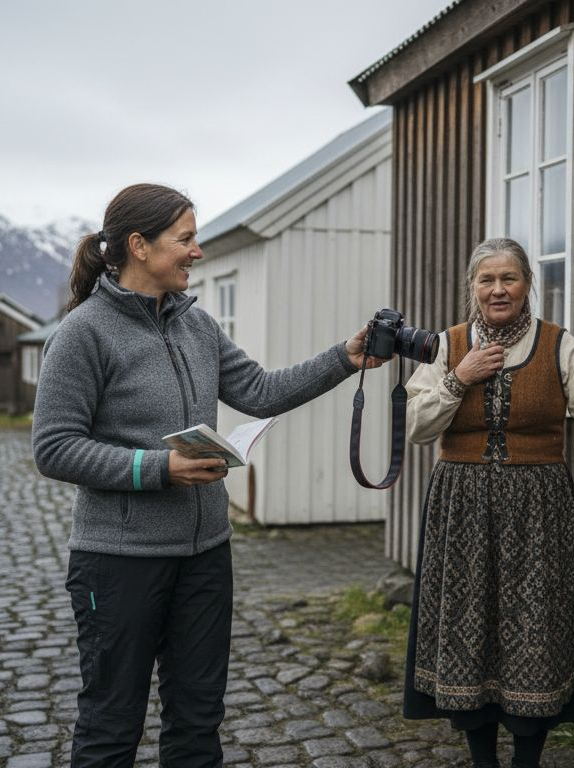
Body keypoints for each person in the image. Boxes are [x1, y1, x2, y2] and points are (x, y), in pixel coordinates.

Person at [32, 183, 386, 767]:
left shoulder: (197, 326)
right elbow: (54, 448)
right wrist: (157, 468)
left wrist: (345, 358)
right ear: (139, 246)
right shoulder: (82, 334)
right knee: (111, 724)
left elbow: (259, 391)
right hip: (118, 563)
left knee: (199, 721)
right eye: (186, 240)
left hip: (205, 557)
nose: (197, 252)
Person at [401, 237, 574, 768]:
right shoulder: (448, 345)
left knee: (535, 629)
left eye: (510, 278)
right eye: (487, 280)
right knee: (467, 629)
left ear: (527, 285)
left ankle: (527, 760)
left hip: (539, 511)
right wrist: (459, 378)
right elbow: (416, 427)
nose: (498, 289)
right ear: (473, 287)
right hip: (462, 509)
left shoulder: (558, 345)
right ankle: (482, 760)